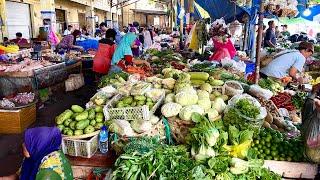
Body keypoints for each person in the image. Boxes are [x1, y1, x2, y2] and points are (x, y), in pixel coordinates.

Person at [7, 127, 73, 180]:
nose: (23, 144)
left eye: (28, 141)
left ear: (36, 144)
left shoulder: (50, 168)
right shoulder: (34, 157)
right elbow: (19, 175)